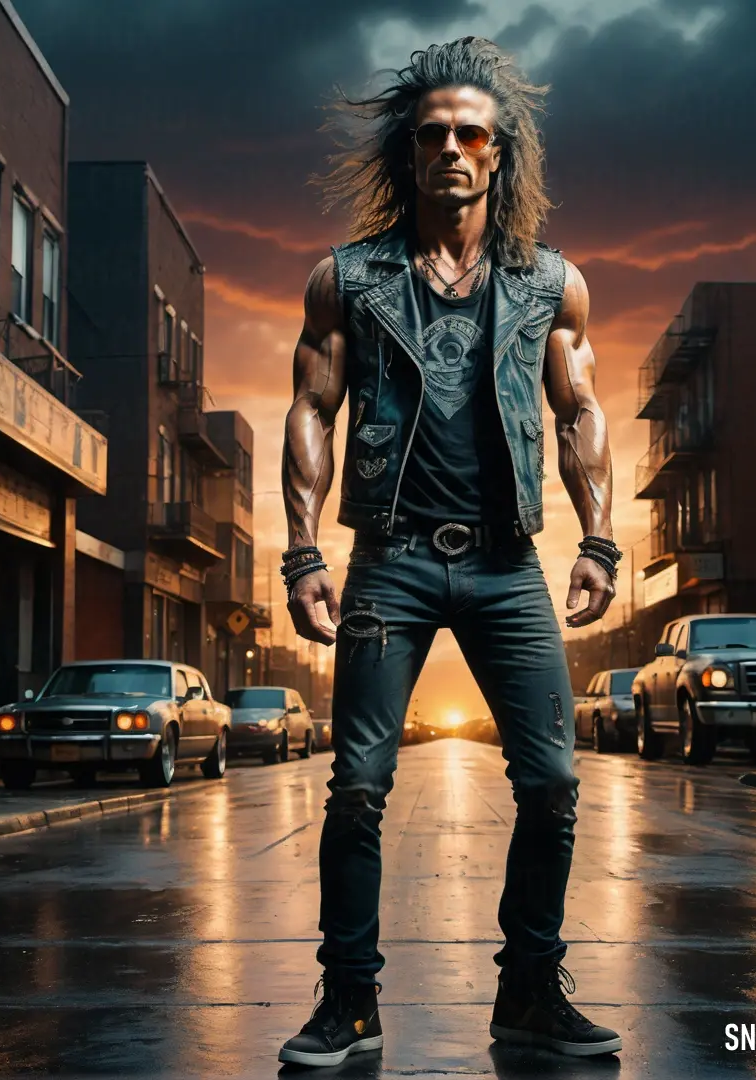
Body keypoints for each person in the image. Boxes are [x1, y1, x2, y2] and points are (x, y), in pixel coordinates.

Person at [277, 36, 622, 1069]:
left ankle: (529, 990)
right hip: (391, 560)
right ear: (408, 151)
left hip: (511, 564)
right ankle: (349, 1002)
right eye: (434, 135)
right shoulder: (346, 280)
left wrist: (598, 538)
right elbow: (311, 411)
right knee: (358, 786)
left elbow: (580, 415)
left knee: (554, 783)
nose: (455, 152)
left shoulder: (554, 285)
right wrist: (303, 555)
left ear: (502, 154)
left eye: (474, 134)